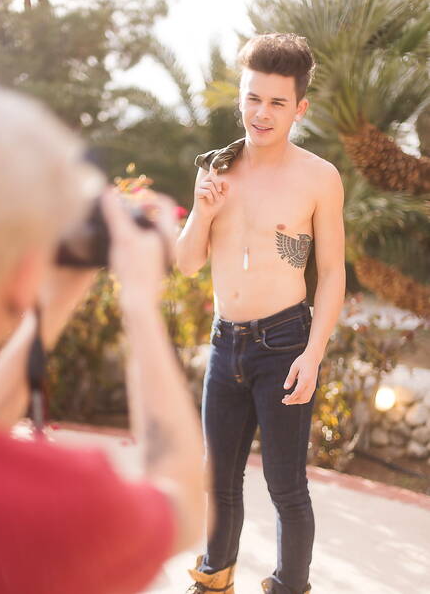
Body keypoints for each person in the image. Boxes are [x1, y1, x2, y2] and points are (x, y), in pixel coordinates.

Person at [0, 81, 206, 594]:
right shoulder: (54, 505)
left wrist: (54, 301)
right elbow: (184, 505)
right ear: (24, 273)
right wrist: (139, 303)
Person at [177, 33, 345, 594]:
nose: (262, 113)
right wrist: (203, 212)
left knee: (286, 486)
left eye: (277, 102)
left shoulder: (319, 177)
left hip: (285, 344)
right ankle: (214, 578)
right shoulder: (216, 168)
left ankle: (289, 586)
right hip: (226, 343)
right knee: (218, 480)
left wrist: (313, 355)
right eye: (253, 98)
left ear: (301, 107)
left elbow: (332, 273)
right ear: (240, 99)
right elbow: (187, 264)